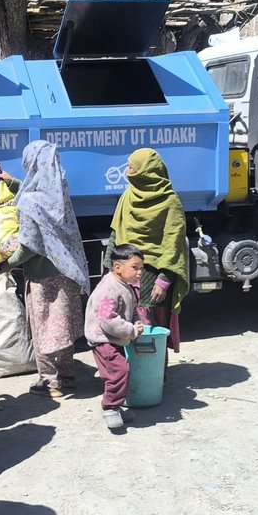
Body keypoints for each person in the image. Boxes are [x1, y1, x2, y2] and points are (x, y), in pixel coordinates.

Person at [1, 141, 91, 399]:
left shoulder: (30, 203)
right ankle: (67, 375)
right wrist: (13, 182)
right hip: (68, 272)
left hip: (42, 277)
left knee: (43, 329)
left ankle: (49, 381)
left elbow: (29, 245)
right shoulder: (59, 193)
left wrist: (8, 264)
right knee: (63, 324)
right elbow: (37, 193)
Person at [108, 148, 189, 359]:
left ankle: (154, 378)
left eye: (132, 167)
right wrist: (110, 271)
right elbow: (115, 234)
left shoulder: (170, 201)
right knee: (128, 328)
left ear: (146, 172)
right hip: (127, 276)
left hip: (154, 280)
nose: (127, 171)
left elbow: (174, 244)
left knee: (152, 334)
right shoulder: (127, 197)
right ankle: (133, 376)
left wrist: (163, 281)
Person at [85, 244, 147, 430]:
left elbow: (131, 309)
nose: (139, 273)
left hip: (113, 338)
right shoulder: (108, 289)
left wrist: (137, 322)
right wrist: (131, 330)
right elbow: (107, 319)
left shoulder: (124, 285)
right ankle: (110, 407)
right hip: (103, 340)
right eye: (135, 268)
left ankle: (116, 407)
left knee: (118, 372)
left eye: (141, 268)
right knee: (119, 372)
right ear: (118, 267)